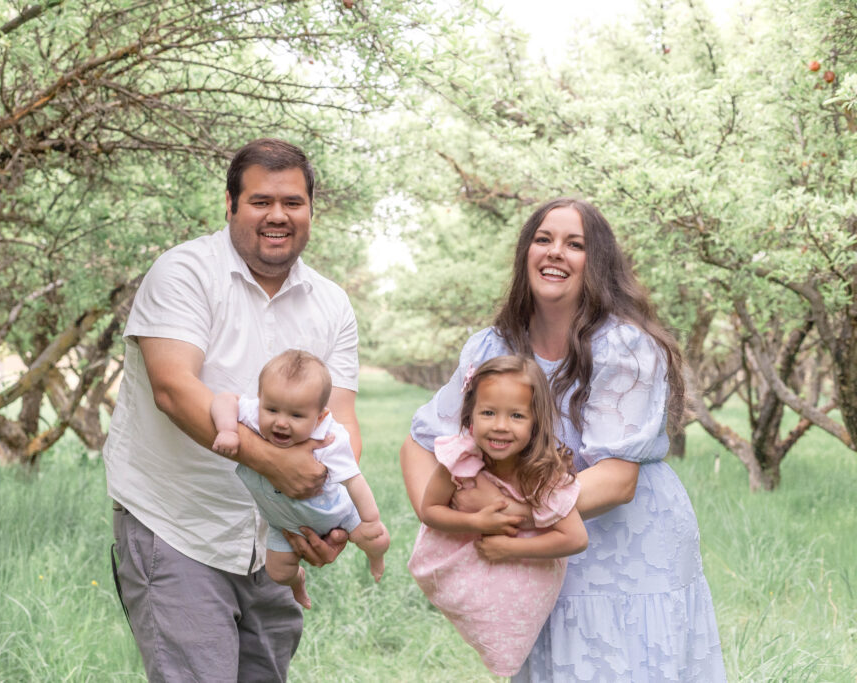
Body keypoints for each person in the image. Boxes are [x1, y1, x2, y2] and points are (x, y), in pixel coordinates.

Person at [400, 198, 727, 681]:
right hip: (535, 561)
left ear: (596, 264)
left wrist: (512, 514)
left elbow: (617, 481)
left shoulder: (626, 347)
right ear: (525, 253)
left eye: (575, 244)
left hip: (625, 553)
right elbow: (421, 441)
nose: (556, 253)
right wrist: (451, 518)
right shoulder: (492, 347)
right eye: (543, 239)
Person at [104, 138, 361, 682]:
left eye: (293, 202)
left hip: (271, 534)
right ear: (230, 204)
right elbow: (173, 389)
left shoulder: (331, 303)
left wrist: (324, 507)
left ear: (311, 210)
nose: (278, 215)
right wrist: (278, 465)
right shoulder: (183, 273)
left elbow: (340, 420)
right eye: (260, 201)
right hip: (178, 527)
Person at [408, 354, 587, 677]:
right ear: (471, 416)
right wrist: (475, 522)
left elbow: (575, 538)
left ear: (536, 423)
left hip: (525, 569)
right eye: (488, 413)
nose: (501, 426)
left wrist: (509, 547)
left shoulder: (543, 474)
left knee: (511, 622)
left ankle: (505, 658)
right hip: (467, 565)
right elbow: (430, 511)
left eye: (517, 415)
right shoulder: (460, 459)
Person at [211, 349, 389, 610]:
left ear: (320, 416)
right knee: (278, 573)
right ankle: (297, 582)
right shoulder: (254, 414)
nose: (281, 422)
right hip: (283, 523)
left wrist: (371, 520)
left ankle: (376, 558)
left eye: (296, 416)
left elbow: (354, 480)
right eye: (271, 409)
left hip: (336, 515)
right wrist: (227, 430)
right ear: (260, 400)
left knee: (377, 538)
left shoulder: (329, 437)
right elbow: (225, 399)